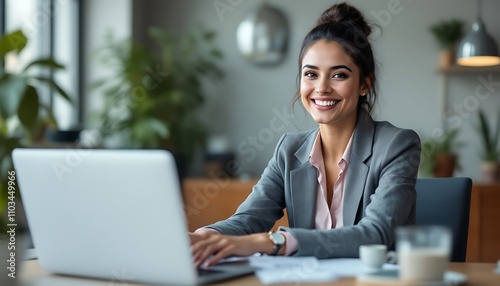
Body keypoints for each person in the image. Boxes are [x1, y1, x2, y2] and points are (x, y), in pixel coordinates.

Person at [190, 2, 421, 267]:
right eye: (310, 74)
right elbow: (249, 220)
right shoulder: (289, 150)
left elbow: (375, 234)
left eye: (339, 75)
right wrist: (204, 237)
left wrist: (273, 242)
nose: (321, 88)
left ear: (364, 85)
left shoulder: (397, 145)